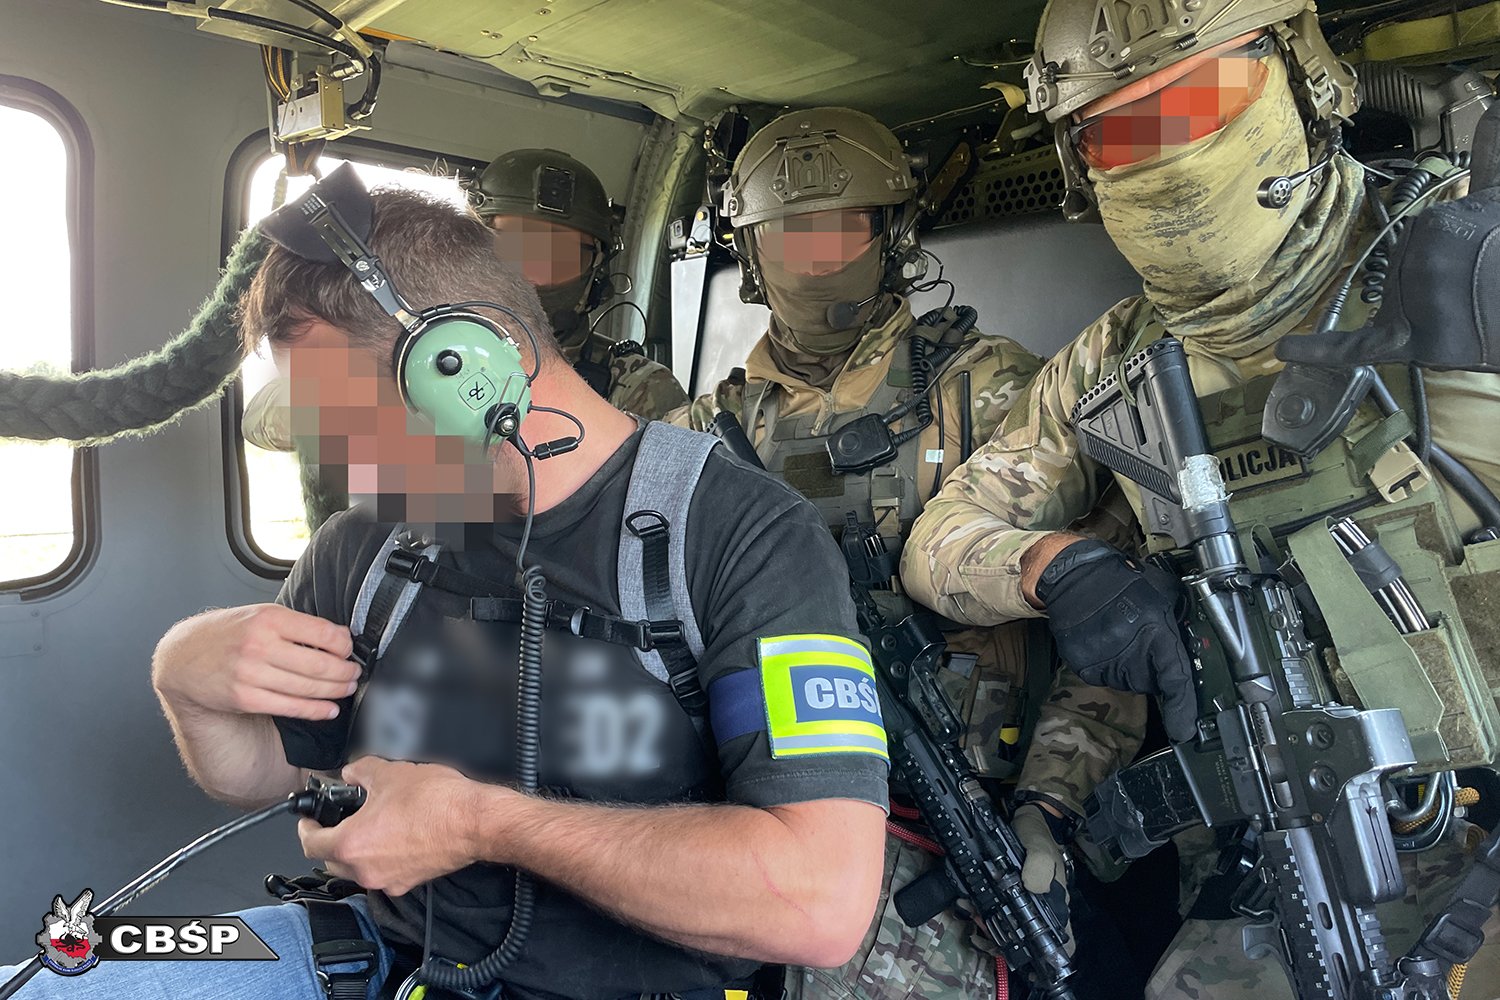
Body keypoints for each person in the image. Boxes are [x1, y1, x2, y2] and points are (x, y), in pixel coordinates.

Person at [5, 177, 890, 1000]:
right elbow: (269, 773)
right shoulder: (366, 542)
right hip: (362, 951)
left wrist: (479, 824)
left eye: (357, 425)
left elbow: (820, 903)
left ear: (473, 363)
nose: (347, 469)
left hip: (627, 983)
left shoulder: (739, 535)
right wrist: (185, 680)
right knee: (58, 968)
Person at [902, 0, 1500, 996]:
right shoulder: (1116, 356)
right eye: (1120, 131)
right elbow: (941, 538)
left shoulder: (1462, 252)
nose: (1168, 154)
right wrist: (1056, 570)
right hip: (1288, 841)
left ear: (1301, 78)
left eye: (1201, 98)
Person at [667, 106, 1138, 999]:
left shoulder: (997, 393)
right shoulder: (696, 434)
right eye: (790, 234)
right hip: (750, 816)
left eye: (842, 229)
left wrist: (1049, 805)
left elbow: (1104, 617)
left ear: (895, 235)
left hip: (965, 808)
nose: (817, 255)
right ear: (751, 252)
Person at [243, 148, 688, 530]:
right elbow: (260, 420)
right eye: (516, 245)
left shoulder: (636, 382)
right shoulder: (402, 355)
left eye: (563, 254)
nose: (535, 273)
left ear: (597, 270)